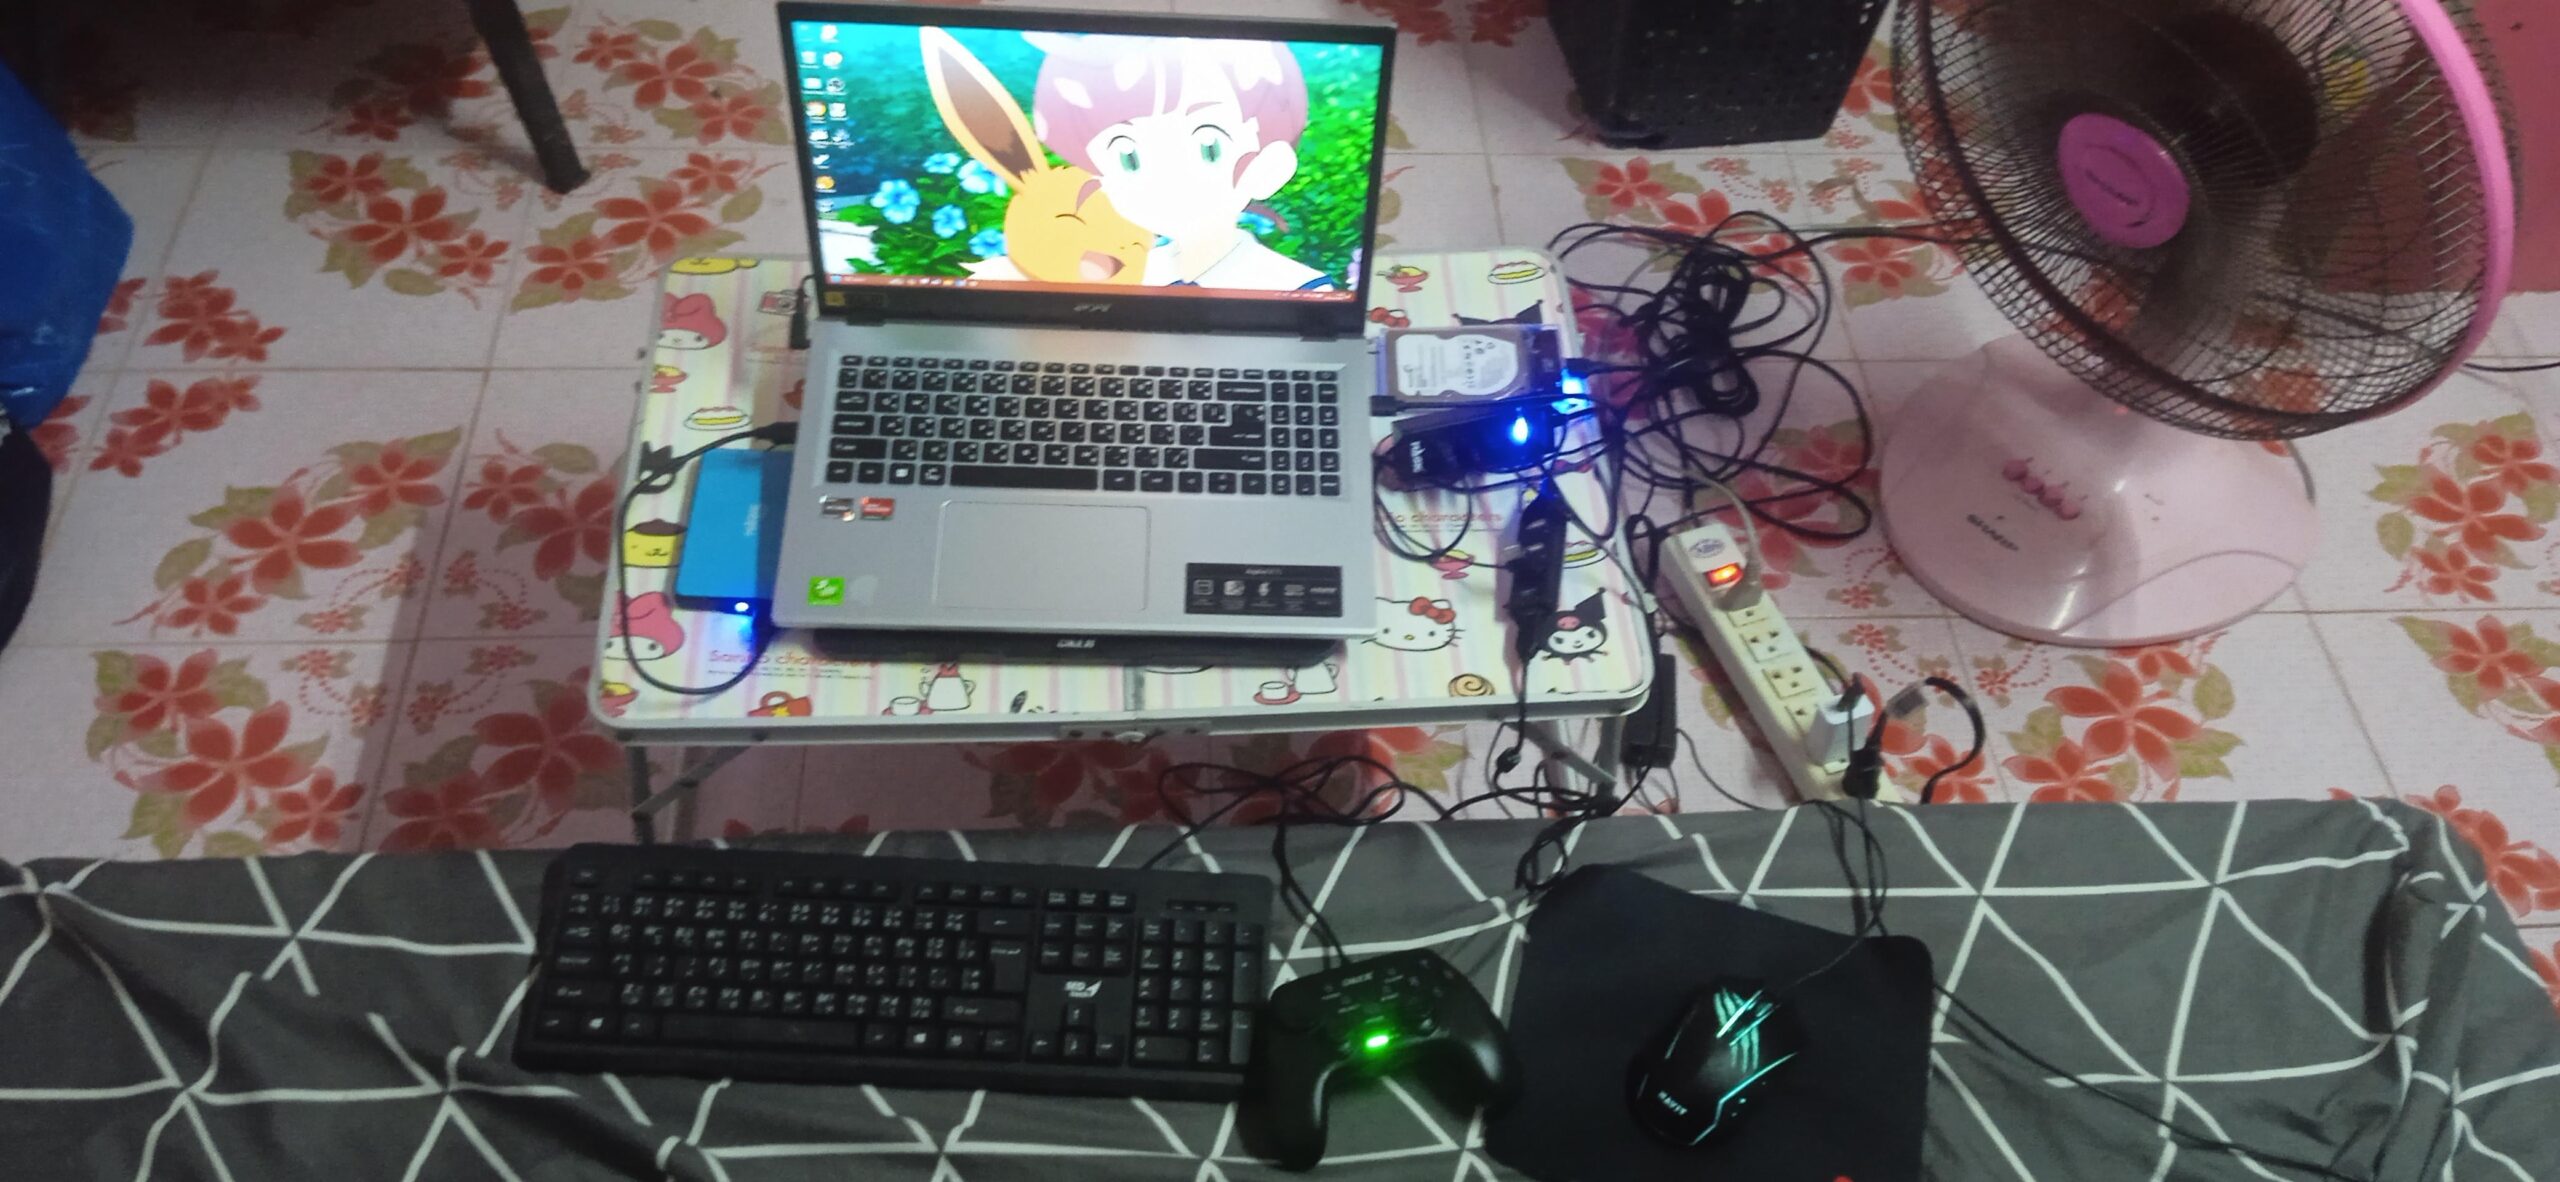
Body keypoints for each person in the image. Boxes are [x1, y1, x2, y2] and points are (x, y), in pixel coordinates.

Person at [1026, 33, 1334, 292]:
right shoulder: (1124, 277)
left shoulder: (1299, 288)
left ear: (1270, 167)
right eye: (1128, 157)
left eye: (1209, 148)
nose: (1164, 180)